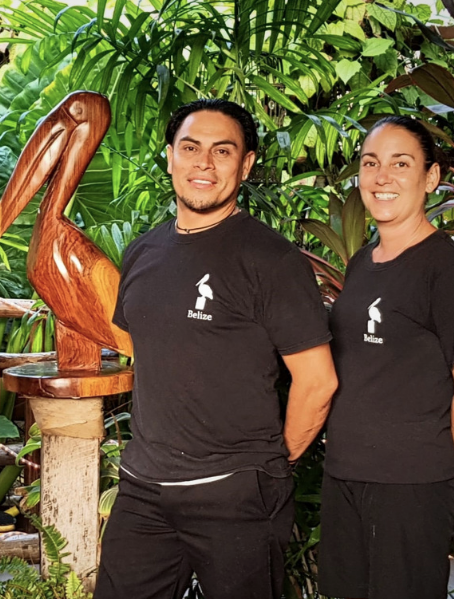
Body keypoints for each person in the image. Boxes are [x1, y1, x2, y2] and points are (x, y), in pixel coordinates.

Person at [95, 98, 338, 599]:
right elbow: (152, 354)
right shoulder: (143, 251)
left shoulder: (270, 259)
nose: (203, 163)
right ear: (170, 157)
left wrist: (272, 465)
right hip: (144, 488)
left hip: (235, 492)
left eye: (222, 151)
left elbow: (318, 381)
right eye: (191, 147)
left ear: (245, 165)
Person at [318, 116, 454, 599]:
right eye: (371, 164)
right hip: (345, 475)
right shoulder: (361, 263)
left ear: (430, 177)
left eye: (401, 163)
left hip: (412, 484)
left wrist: (438, 475)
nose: (382, 177)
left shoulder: (450, 270)